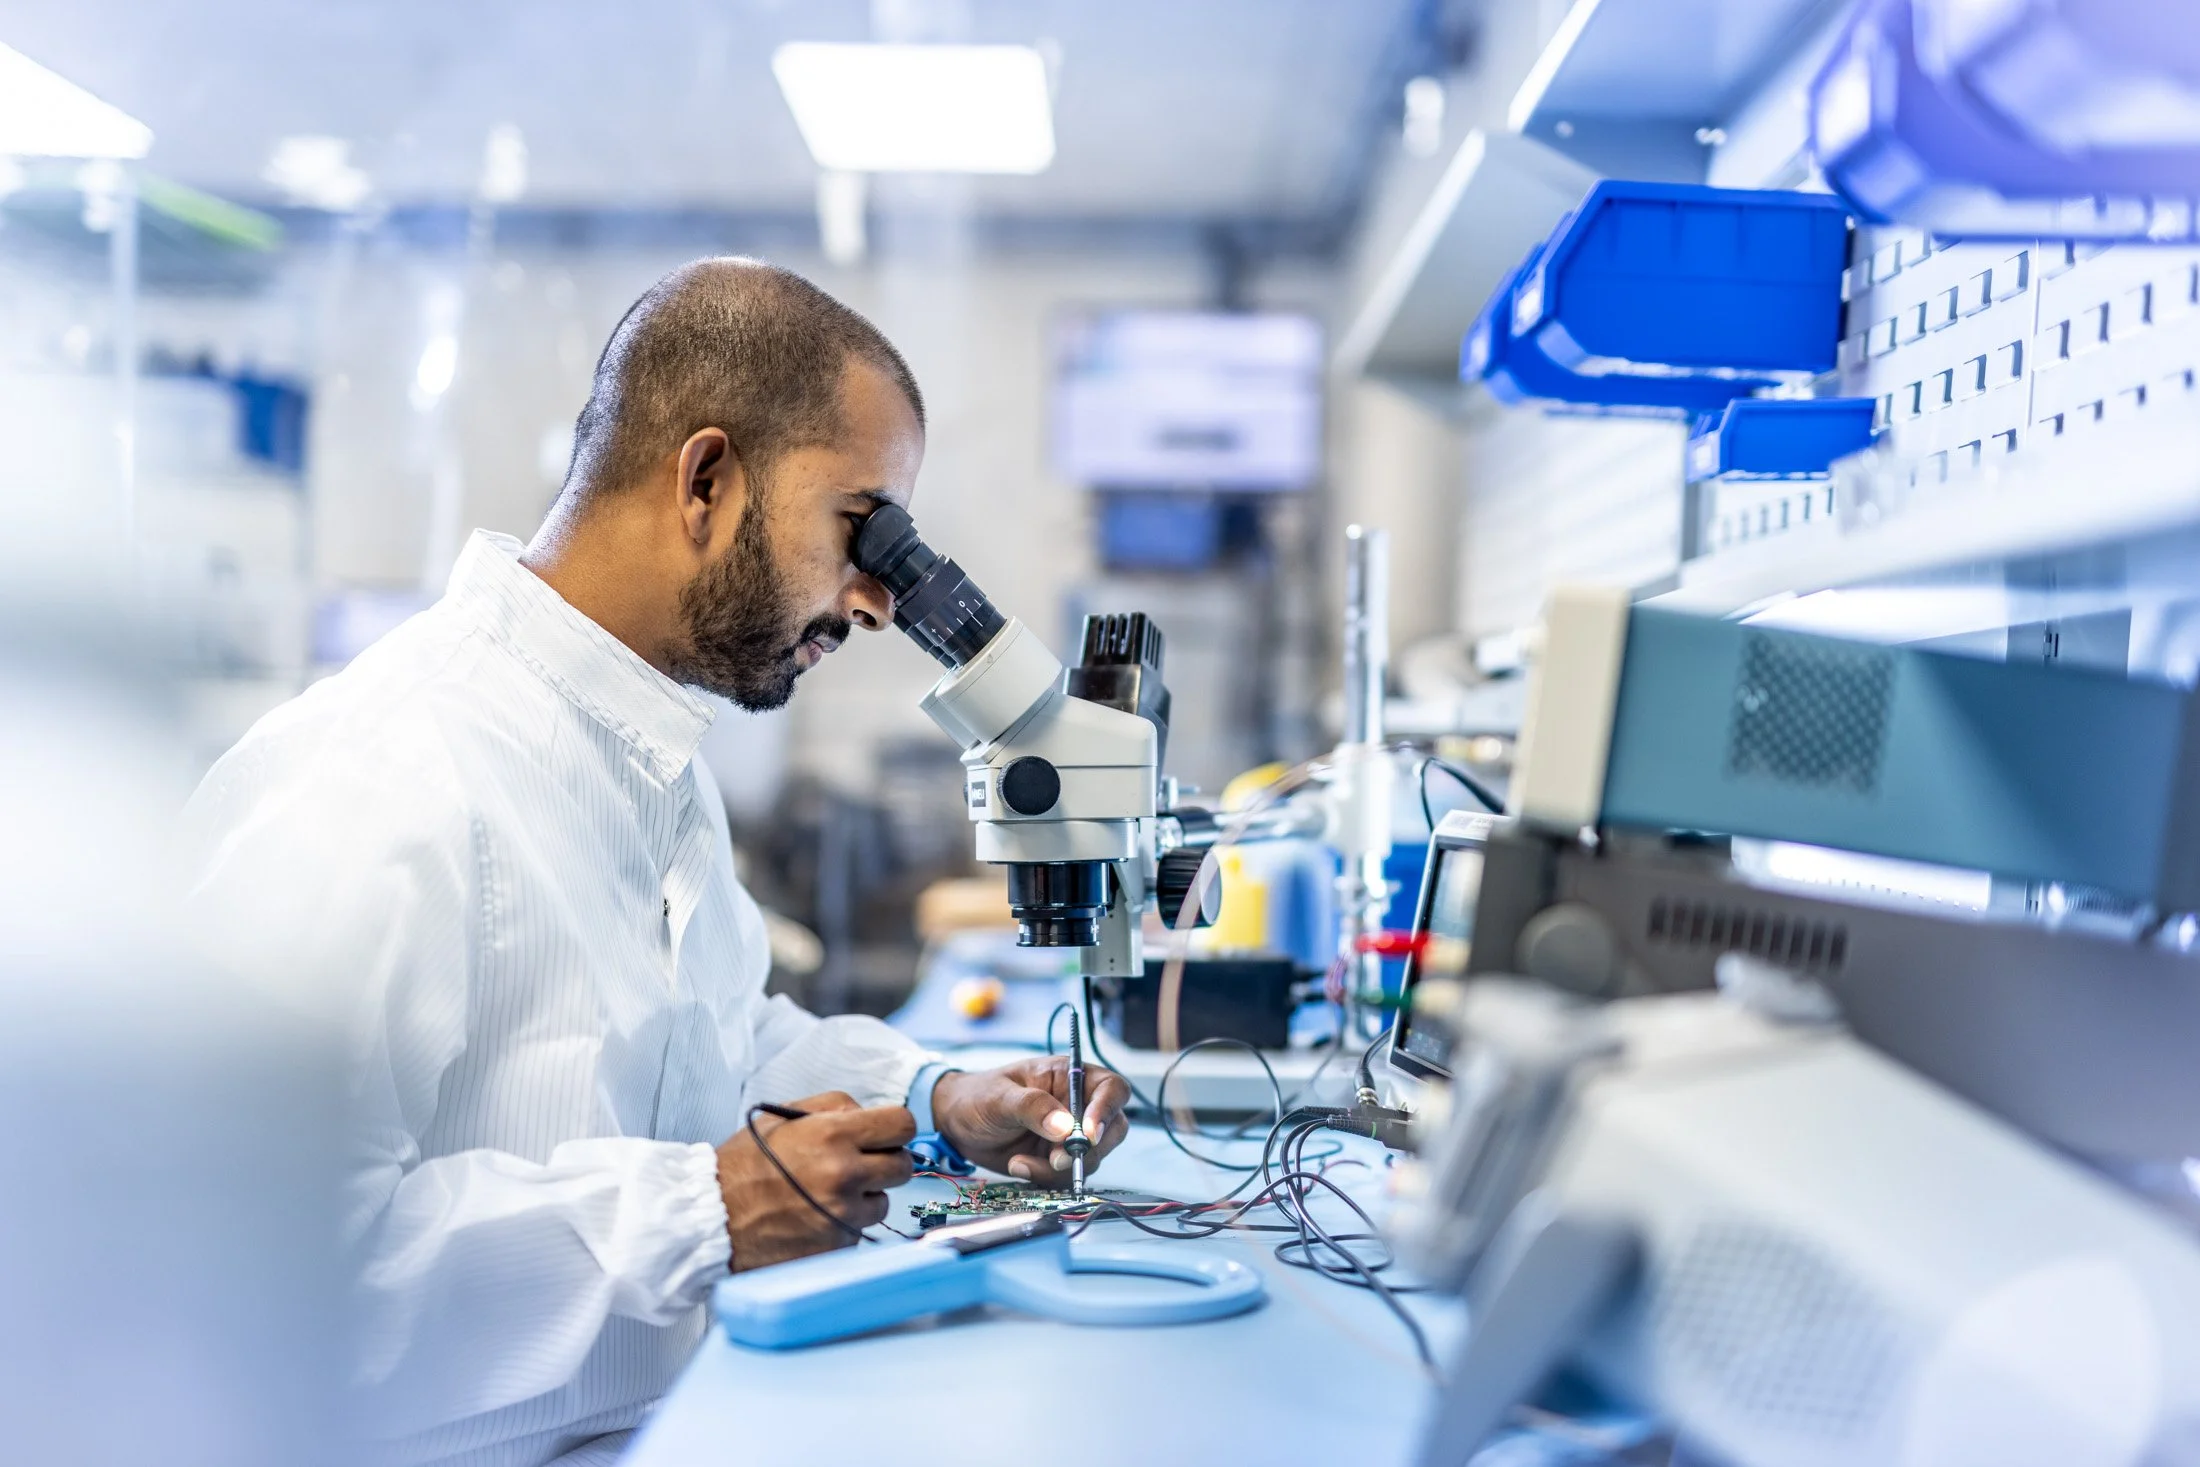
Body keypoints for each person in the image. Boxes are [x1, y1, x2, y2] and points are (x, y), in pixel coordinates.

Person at [184, 258, 1130, 1467]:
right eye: (862, 529)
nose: (879, 601)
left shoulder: (649, 752)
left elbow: (716, 1048)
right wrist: (706, 1210)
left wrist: (944, 1099)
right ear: (706, 479)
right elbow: (251, 1283)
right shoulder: (378, 779)